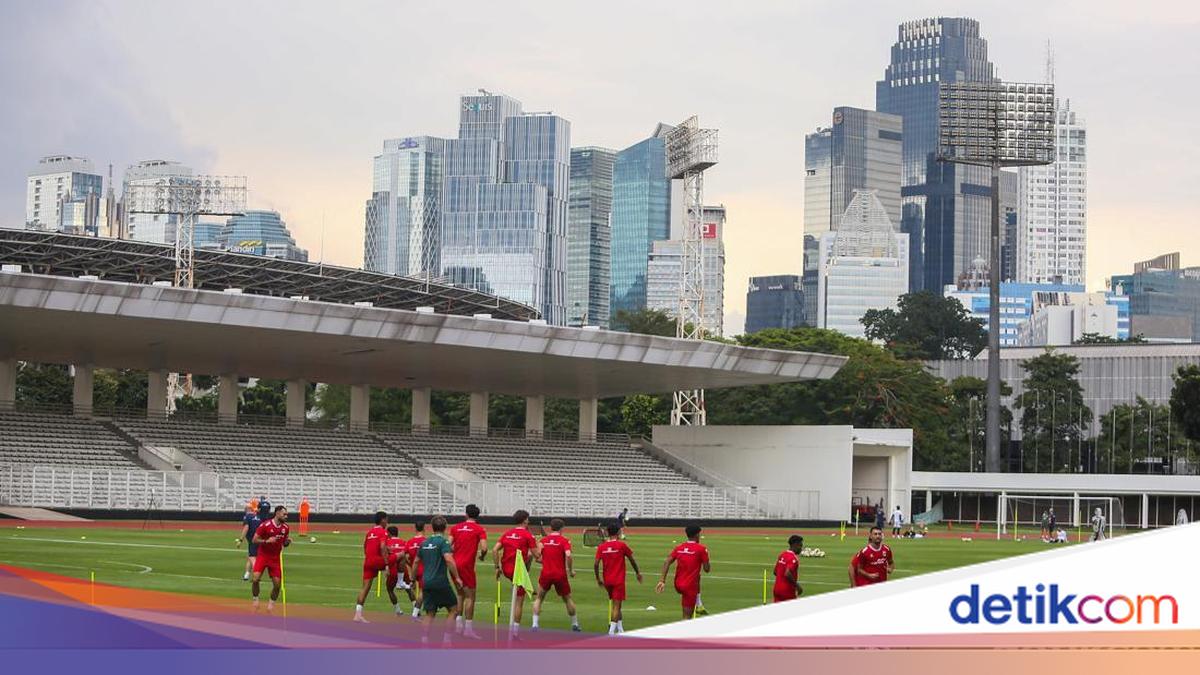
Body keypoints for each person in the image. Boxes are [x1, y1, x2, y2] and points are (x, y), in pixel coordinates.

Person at [492, 509, 541, 638]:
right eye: (528, 519)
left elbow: (495, 550)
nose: (529, 521)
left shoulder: (507, 533)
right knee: (519, 601)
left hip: (506, 569)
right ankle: (514, 632)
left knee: (528, 556)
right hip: (517, 571)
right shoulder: (528, 535)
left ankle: (526, 581)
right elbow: (537, 556)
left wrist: (497, 567)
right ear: (525, 520)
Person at [418, 515, 464, 646]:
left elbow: (416, 561)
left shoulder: (424, 543)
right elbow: (449, 559)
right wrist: (457, 577)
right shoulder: (444, 542)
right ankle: (447, 641)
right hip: (440, 582)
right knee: (454, 609)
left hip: (426, 582)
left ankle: (424, 642)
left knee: (430, 613)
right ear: (445, 528)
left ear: (432, 528)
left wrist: (412, 576)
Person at [532, 518, 580, 632]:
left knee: (539, 598)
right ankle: (575, 624)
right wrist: (571, 570)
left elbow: (537, 557)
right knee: (567, 599)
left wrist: (547, 561)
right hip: (560, 574)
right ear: (562, 528)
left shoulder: (543, 541)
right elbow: (568, 555)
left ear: (550, 528)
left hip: (546, 573)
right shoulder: (565, 540)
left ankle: (535, 624)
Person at [594, 522, 642, 635]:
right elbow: (632, 559)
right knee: (616, 606)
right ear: (618, 532)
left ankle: (620, 629)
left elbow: (596, 564)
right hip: (618, 580)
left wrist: (598, 578)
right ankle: (611, 632)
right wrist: (637, 572)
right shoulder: (621, 545)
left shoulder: (602, 546)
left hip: (607, 581)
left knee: (617, 604)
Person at [449, 504, 488, 638]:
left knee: (460, 594)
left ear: (466, 514)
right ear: (477, 516)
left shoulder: (455, 528)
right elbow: (484, 548)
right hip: (466, 566)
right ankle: (468, 629)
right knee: (470, 597)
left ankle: (458, 626)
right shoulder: (479, 529)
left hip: (454, 564)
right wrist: (482, 556)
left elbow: (449, 546)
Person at [656, 524, 711, 619]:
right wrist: (705, 558)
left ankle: (698, 603)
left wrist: (662, 581)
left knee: (697, 576)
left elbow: (667, 562)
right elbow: (707, 569)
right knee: (687, 617)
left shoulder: (679, 547)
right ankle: (685, 630)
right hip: (689, 586)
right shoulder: (701, 549)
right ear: (697, 535)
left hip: (678, 584)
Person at [251, 505, 290, 612]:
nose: (286, 516)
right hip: (263, 555)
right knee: (255, 579)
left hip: (275, 558)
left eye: (286, 514)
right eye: (284, 514)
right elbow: (254, 540)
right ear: (277, 513)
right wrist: (266, 541)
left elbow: (284, 542)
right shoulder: (265, 525)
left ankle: (270, 605)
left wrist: (287, 542)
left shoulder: (285, 528)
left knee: (277, 585)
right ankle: (255, 600)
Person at [353, 511, 390, 622]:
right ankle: (403, 582)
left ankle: (357, 614)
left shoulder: (369, 532)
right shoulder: (383, 532)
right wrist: (387, 565)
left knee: (365, 588)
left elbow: (365, 547)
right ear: (382, 520)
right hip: (378, 561)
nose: (387, 522)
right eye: (386, 519)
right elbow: (383, 547)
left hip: (368, 561)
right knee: (397, 558)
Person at [384, 525, 413, 616]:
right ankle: (416, 609)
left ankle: (398, 610)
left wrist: (385, 567)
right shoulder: (404, 542)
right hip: (403, 570)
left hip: (392, 569)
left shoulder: (387, 542)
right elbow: (407, 558)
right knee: (409, 589)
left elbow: (384, 556)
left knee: (390, 590)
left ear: (389, 533)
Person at [404, 521, 428, 621]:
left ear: (415, 528)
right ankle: (415, 613)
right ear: (424, 528)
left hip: (415, 570)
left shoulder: (409, 542)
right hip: (424, 569)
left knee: (424, 592)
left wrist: (411, 572)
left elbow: (406, 558)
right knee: (423, 593)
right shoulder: (426, 541)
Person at [772, 535, 803, 602]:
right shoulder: (793, 558)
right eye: (800, 546)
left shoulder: (782, 554)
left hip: (777, 589)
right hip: (787, 591)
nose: (801, 549)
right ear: (795, 545)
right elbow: (787, 573)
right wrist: (797, 586)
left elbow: (775, 572)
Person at [237, 504, 261, 581]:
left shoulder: (247, 517)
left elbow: (246, 528)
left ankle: (256, 575)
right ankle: (246, 575)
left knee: (252, 557)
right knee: (251, 557)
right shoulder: (257, 517)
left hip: (252, 540)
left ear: (247, 509)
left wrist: (241, 540)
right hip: (259, 539)